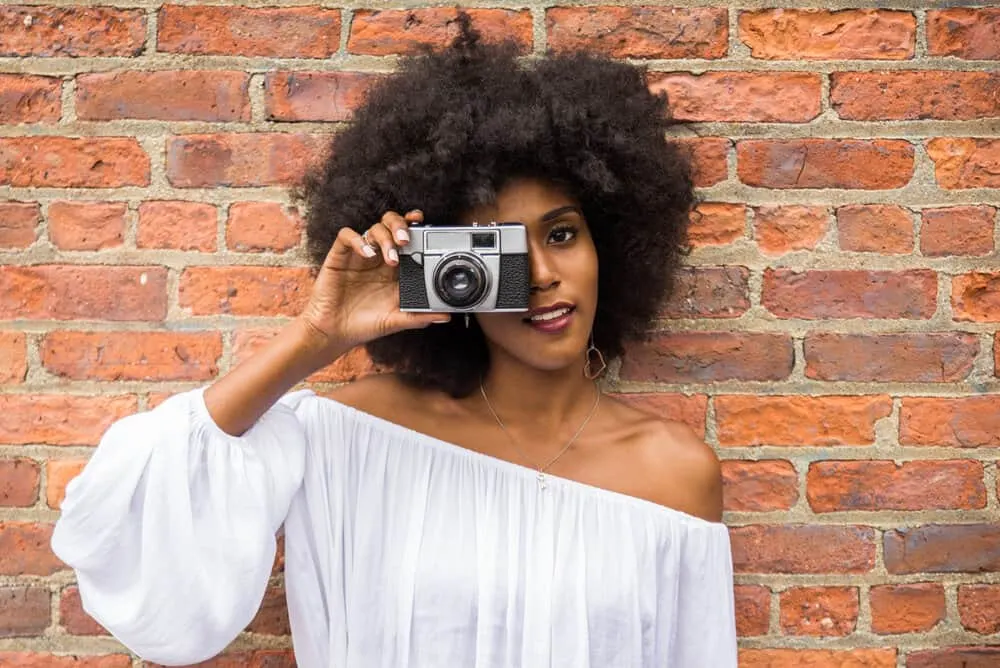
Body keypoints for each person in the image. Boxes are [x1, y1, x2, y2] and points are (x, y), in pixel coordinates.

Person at [51, 17, 737, 668]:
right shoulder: (347, 439)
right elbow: (133, 526)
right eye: (499, 252)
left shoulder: (675, 473)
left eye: (561, 234)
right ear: (446, 268)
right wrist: (316, 338)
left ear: (610, 244)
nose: (544, 276)